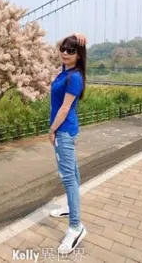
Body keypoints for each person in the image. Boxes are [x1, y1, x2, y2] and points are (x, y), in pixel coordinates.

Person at [47, 33, 88, 255]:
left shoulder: (75, 78)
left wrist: (52, 130)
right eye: (63, 49)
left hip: (63, 131)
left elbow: (64, 108)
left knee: (68, 178)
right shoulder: (66, 70)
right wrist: (72, 37)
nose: (64, 53)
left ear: (79, 56)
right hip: (68, 130)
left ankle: (76, 227)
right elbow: (59, 45)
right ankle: (70, 208)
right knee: (72, 172)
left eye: (71, 50)